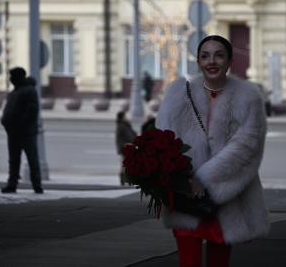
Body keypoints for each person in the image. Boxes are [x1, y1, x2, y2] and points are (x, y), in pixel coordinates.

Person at [155, 35, 269, 267]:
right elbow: (162, 142)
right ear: (198, 61)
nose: (212, 61)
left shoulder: (248, 98)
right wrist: (186, 180)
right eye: (205, 56)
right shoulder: (178, 94)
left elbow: (247, 148)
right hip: (185, 197)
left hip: (226, 197)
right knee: (189, 261)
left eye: (219, 55)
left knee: (219, 261)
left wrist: (204, 180)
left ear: (229, 61)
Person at [0, 67, 43, 194]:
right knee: (13, 160)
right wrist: (6, 122)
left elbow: (32, 112)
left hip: (26, 133)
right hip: (13, 132)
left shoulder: (29, 91)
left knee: (32, 160)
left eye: (12, 76)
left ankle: (37, 185)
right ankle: (12, 184)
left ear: (18, 77)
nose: (10, 79)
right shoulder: (15, 92)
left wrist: (19, 125)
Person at [115, 111, 137, 185]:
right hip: (125, 148)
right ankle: (123, 179)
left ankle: (127, 179)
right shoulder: (120, 126)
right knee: (125, 165)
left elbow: (132, 134)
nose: (126, 117)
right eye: (125, 116)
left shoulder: (126, 124)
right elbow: (118, 139)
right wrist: (123, 146)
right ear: (122, 117)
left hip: (130, 147)